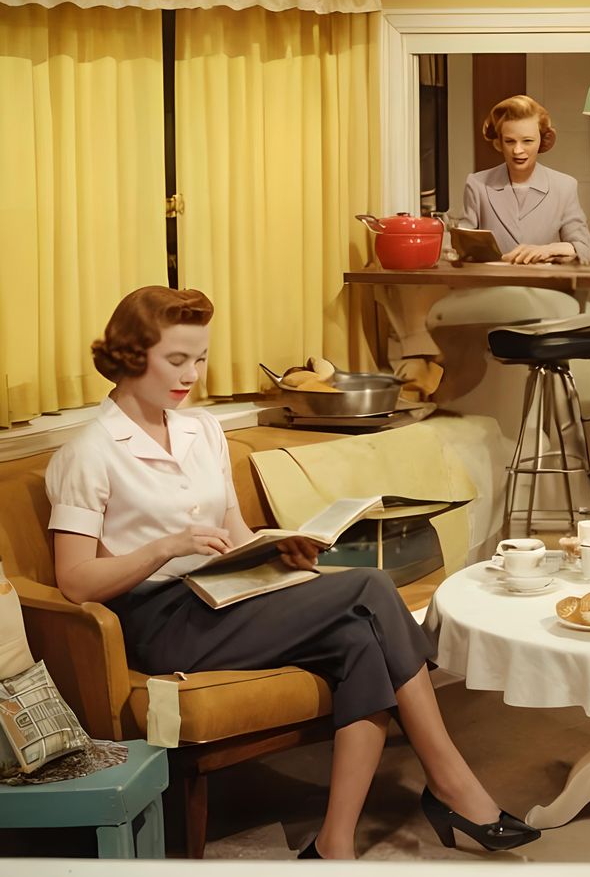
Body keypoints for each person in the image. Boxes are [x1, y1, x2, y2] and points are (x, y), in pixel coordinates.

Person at [45, 286, 538, 859]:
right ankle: (451, 782)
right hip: (161, 619)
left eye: (200, 358)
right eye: (176, 360)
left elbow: (233, 531)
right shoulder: (89, 453)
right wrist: (164, 548)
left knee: (359, 638)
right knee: (372, 587)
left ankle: (334, 843)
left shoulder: (200, 430)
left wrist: (276, 550)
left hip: (225, 593)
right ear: (131, 356)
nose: (191, 375)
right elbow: (75, 582)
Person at [458, 94, 590, 266]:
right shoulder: (477, 184)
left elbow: (583, 247)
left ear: (542, 140)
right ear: (499, 142)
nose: (517, 150)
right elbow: (461, 246)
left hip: (546, 289)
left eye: (527, 141)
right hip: (493, 288)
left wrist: (548, 250)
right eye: (509, 141)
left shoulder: (564, 186)